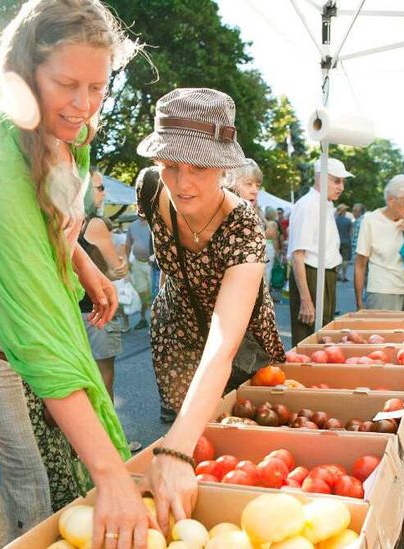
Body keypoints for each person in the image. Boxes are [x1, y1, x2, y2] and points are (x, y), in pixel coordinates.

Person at [0, 1, 149, 546]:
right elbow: (35, 334)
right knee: (34, 504)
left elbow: (50, 219)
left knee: (39, 497)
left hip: (45, 333)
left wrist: (82, 262)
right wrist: (112, 474)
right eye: (67, 84)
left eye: (98, 87)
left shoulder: (68, 129)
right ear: (25, 72)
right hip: (2, 350)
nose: (84, 105)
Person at [134, 88, 285, 526]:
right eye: (170, 165)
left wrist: (174, 450)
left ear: (224, 165)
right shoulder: (148, 188)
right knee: (187, 437)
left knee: (240, 448)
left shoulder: (244, 227)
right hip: (176, 331)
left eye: (199, 166)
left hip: (239, 345)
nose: (182, 183)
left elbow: (223, 342)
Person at [80, 167, 143, 452]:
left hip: (71, 312)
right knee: (104, 379)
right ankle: (111, 441)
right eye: (99, 187)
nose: (104, 193)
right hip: (99, 312)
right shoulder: (95, 224)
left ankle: (86, 442)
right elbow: (116, 270)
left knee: (81, 380)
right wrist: (122, 259)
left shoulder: (65, 222)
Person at [287, 157, 353, 345]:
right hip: (311, 275)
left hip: (326, 275)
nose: (341, 187)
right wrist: (306, 299)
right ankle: (304, 375)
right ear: (321, 179)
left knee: (323, 336)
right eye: (336, 181)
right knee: (308, 339)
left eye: (342, 182)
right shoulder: (307, 206)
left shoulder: (325, 204)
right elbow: (297, 256)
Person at [354, 175, 404, 311]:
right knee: (381, 332)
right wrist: (359, 302)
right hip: (382, 291)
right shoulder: (370, 221)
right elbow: (360, 264)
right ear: (391, 200)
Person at [127, 170, 156, 330]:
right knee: (142, 293)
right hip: (138, 264)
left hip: (152, 265)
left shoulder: (154, 222)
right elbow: (127, 244)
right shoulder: (132, 226)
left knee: (153, 294)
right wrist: (126, 262)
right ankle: (144, 318)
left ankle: (153, 319)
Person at [264, 207, 282, 291]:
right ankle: (266, 291)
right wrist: (277, 253)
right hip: (269, 247)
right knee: (268, 270)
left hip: (262, 245)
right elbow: (275, 240)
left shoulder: (263, 222)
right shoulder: (273, 224)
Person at [336, 204, 353, 282]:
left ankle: (337, 274)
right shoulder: (348, 221)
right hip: (346, 241)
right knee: (345, 259)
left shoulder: (334, 220)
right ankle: (344, 275)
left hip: (336, 242)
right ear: (344, 211)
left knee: (336, 259)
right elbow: (351, 233)